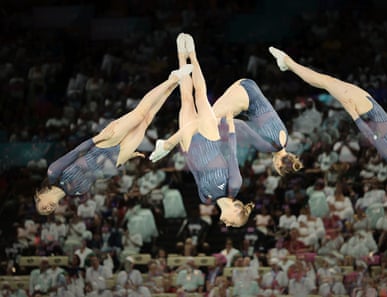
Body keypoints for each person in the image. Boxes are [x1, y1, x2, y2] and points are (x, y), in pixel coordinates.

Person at [34, 64, 193, 215]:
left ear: (39, 196)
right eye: (47, 211)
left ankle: (172, 79)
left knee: (139, 114)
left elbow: (76, 152)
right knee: (146, 121)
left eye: (43, 207)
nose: (48, 208)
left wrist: (99, 137)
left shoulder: (53, 172)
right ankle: (172, 87)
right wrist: (124, 160)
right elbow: (99, 176)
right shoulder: (74, 192)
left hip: (102, 146)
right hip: (116, 158)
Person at [269, 46, 387, 192]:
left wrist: (354, 114)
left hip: (364, 109)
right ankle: (287, 64)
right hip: (370, 105)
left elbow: (372, 137)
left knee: (324, 81)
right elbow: (384, 129)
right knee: (325, 81)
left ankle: (287, 61)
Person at [153, 33, 254, 227]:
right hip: (210, 138)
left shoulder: (205, 198)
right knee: (200, 96)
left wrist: (184, 148)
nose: (227, 224)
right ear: (237, 210)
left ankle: (181, 56)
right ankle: (192, 54)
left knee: (186, 99)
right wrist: (230, 127)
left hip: (191, 145)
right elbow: (232, 155)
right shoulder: (234, 186)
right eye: (233, 223)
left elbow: (195, 171)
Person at [150, 58, 303, 177]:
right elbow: (242, 126)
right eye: (277, 168)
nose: (273, 165)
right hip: (246, 97)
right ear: (279, 164)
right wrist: (228, 121)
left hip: (250, 90)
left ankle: (185, 68)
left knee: (204, 119)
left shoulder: (284, 138)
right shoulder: (268, 147)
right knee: (205, 121)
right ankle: (166, 145)